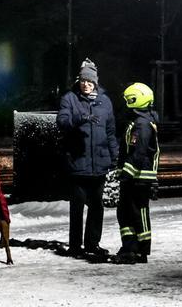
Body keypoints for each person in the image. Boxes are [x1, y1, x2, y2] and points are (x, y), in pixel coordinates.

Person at [56, 58, 119, 258]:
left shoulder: (105, 101)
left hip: (99, 163)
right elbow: (62, 122)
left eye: (89, 81)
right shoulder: (70, 99)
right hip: (77, 161)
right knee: (77, 206)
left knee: (96, 206)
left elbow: (110, 132)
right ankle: (75, 246)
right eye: (83, 81)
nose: (86, 84)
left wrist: (114, 155)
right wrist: (81, 118)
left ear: (95, 82)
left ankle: (93, 244)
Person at [112, 82, 159, 265]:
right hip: (135, 176)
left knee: (138, 212)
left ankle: (140, 249)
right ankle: (129, 247)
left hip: (139, 177)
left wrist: (127, 172)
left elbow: (138, 152)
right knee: (125, 212)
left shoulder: (142, 124)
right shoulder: (141, 121)